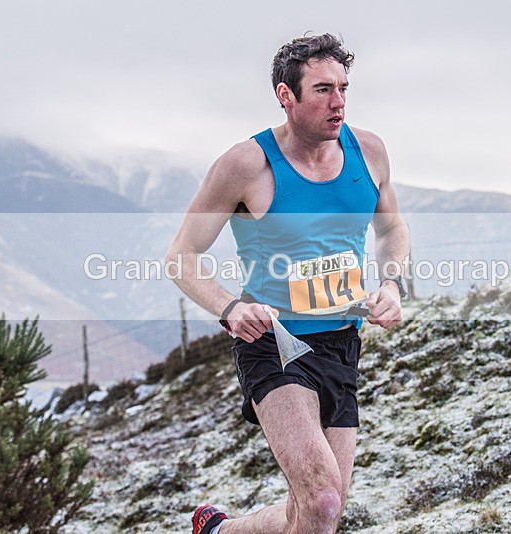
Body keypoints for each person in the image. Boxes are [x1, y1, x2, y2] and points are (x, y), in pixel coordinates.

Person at [166, 33, 410, 534]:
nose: (338, 101)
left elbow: (392, 230)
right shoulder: (246, 165)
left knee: (317, 511)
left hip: (342, 342)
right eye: (322, 89)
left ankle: (218, 531)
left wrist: (391, 284)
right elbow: (181, 257)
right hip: (275, 343)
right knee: (321, 501)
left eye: (343, 87)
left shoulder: (369, 152)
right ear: (286, 95)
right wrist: (231, 308)